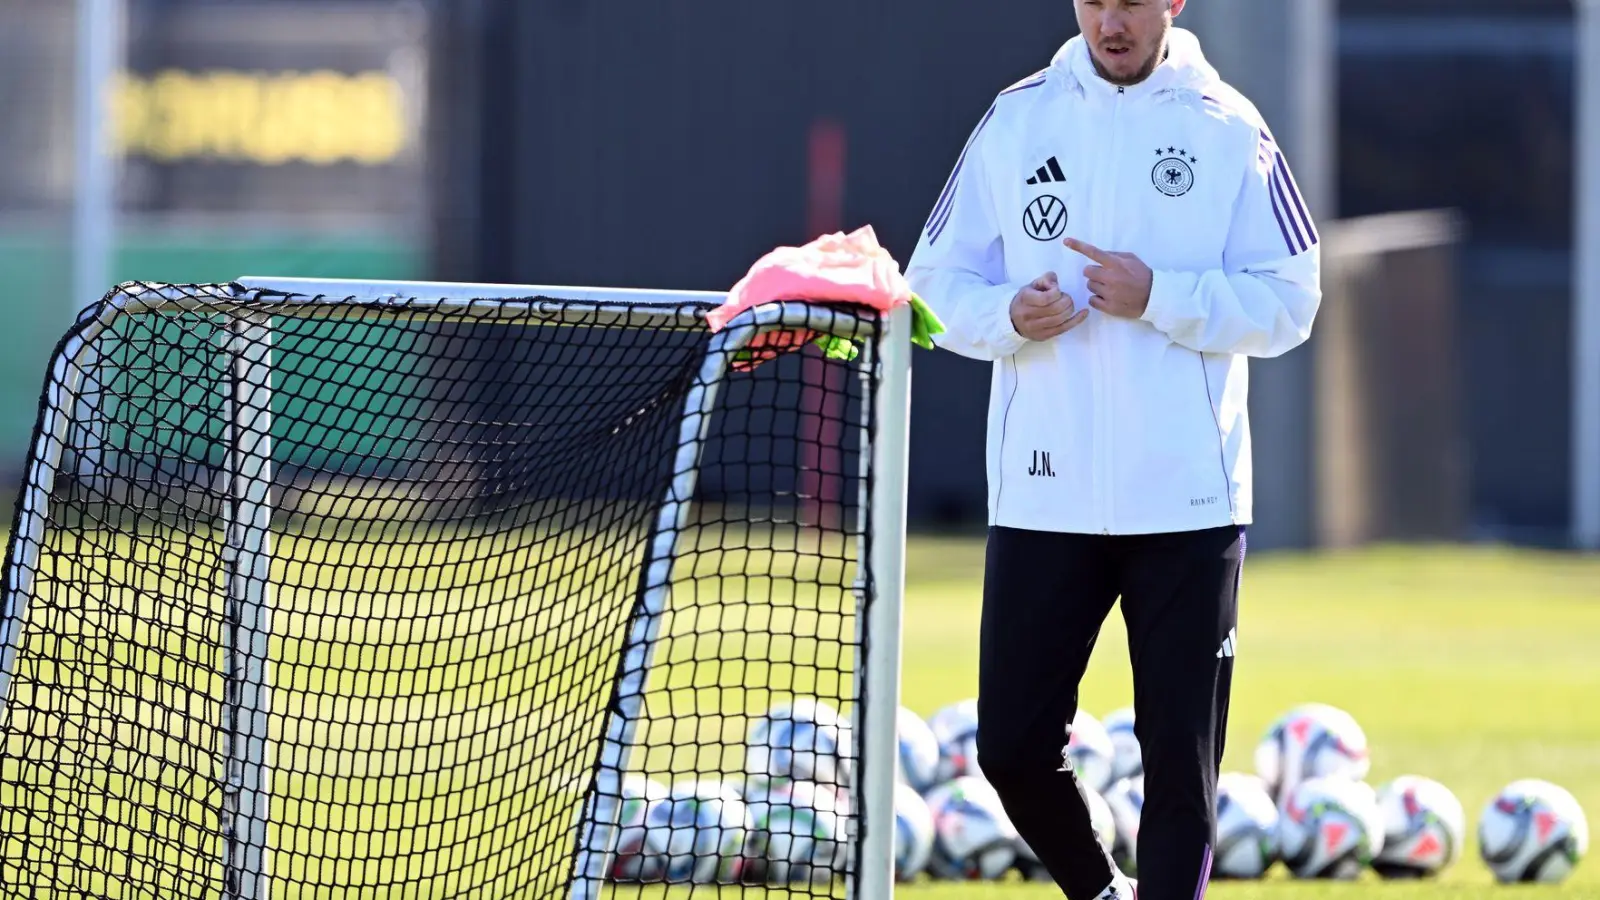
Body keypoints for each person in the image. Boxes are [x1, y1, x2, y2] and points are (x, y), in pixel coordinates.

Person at [904, 2, 1321, 899]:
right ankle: (1102, 893)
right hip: (1043, 495)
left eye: (1132, 1)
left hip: (1187, 501)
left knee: (1180, 767)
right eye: (1096, 1)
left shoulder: (1226, 126)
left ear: (1173, 1)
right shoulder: (1018, 119)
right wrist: (1007, 315)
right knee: (1012, 746)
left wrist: (1161, 295)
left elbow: (1293, 296)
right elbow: (932, 284)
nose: (1112, 22)